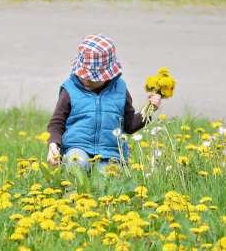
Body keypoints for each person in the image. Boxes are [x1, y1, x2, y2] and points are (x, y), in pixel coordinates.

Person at [46, 34, 161, 171]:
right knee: (77, 164)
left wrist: (149, 109)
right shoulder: (70, 89)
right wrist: (53, 144)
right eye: (83, 75)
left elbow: (129, 125)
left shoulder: (120, 90)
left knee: (108, 177)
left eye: (92, 78)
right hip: (76, 147)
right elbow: (57, 123)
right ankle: (71, 191)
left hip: (110, 153)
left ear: (108, 75)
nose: (85, 79)